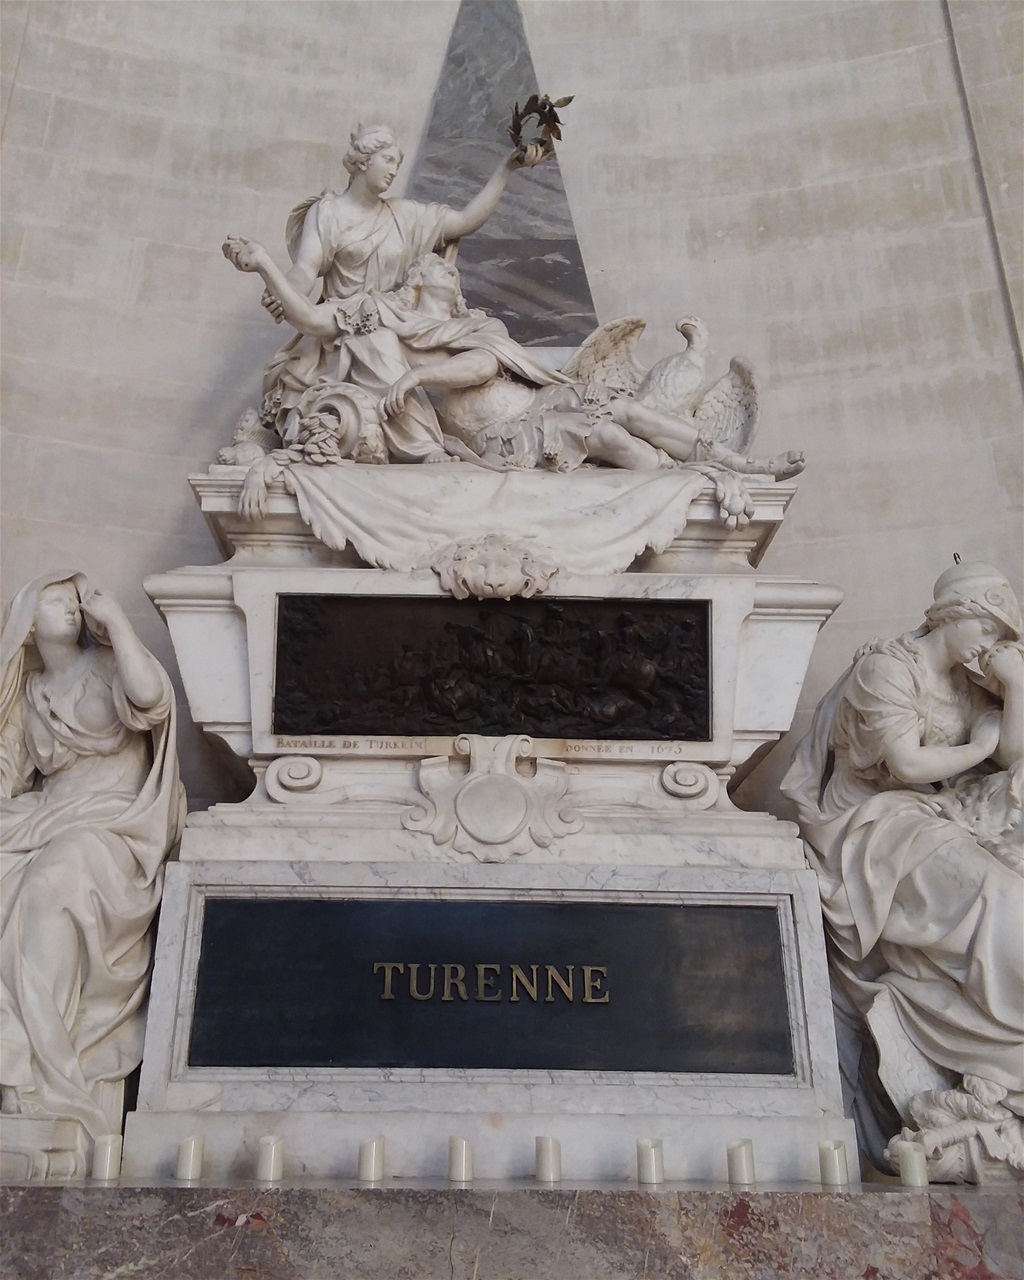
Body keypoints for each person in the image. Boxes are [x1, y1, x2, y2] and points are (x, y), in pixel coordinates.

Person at [782, 562, 1023, 1164]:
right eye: (990, 631)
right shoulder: (886, 667)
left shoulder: (971, 682)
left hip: (931, 816)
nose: (992, 646)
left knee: (1004, 885)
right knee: (992, 892)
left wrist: (1015, 687)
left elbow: (1015, 755)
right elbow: (907, 766)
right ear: (955, 615)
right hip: (869, 823)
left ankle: (999, 1035)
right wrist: (981, 746)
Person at [224, 239, 804, 485]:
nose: (450, 273)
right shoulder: (381, 316)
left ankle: (731, 465)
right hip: (502, 436)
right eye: (441, 269)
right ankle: (685, 476)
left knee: (623, 411)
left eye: (450, 272)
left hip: (542, 404)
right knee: (607, 431)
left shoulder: (482, 327)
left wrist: (420, 373)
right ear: (418, 279)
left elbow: (481, 368)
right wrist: (265, 266)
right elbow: (311, 320)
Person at [0, 573, 185, 1154]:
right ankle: (23, 1063)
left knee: (50, 884)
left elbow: (153, 702)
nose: (71, 609)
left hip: (113, 829)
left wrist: (122, 627)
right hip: (48, 819)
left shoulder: (110, 664)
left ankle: (49, 1079)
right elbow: (7, 777)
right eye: (55, 601)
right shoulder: (25, 696)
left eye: (74, 600)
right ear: (28, 621)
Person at [260, 123, 547, 455]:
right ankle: (422, 445)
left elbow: (466, 220)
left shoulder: (405, 215)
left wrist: (506, 169)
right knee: (377, 342)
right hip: (345, 328)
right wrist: (285, 292)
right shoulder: (328, 213)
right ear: (364, 161)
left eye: (397, 163)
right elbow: (305, 269)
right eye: (388, 160)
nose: (394, 170)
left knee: (475, 339)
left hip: (399, 318)